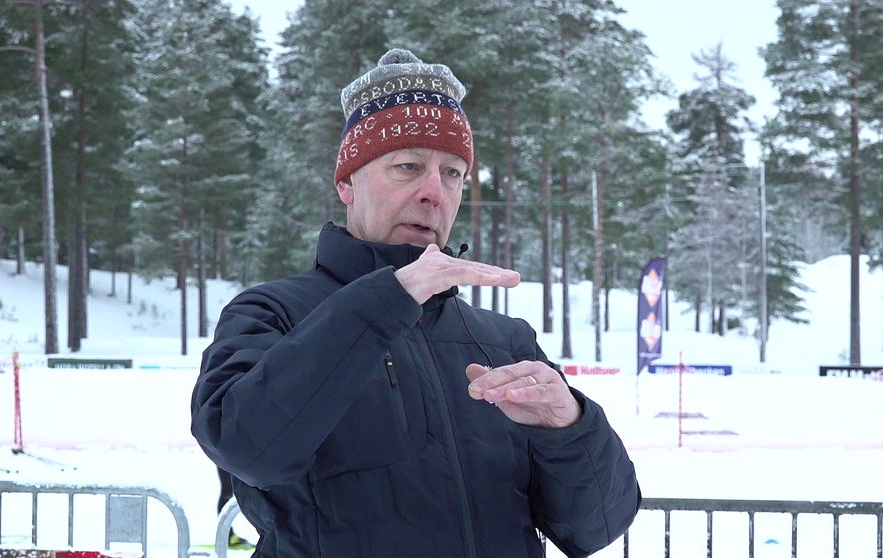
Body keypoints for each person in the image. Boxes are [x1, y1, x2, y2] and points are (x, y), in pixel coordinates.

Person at [190, 48, 640, 558]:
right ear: (347, 184)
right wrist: (389, 298)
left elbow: (596, 527)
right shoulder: (272, 313)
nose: (434, 191)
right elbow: (247, 449)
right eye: (408, 166)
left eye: (452, 173)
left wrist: (571, 424)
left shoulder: (503, 339)